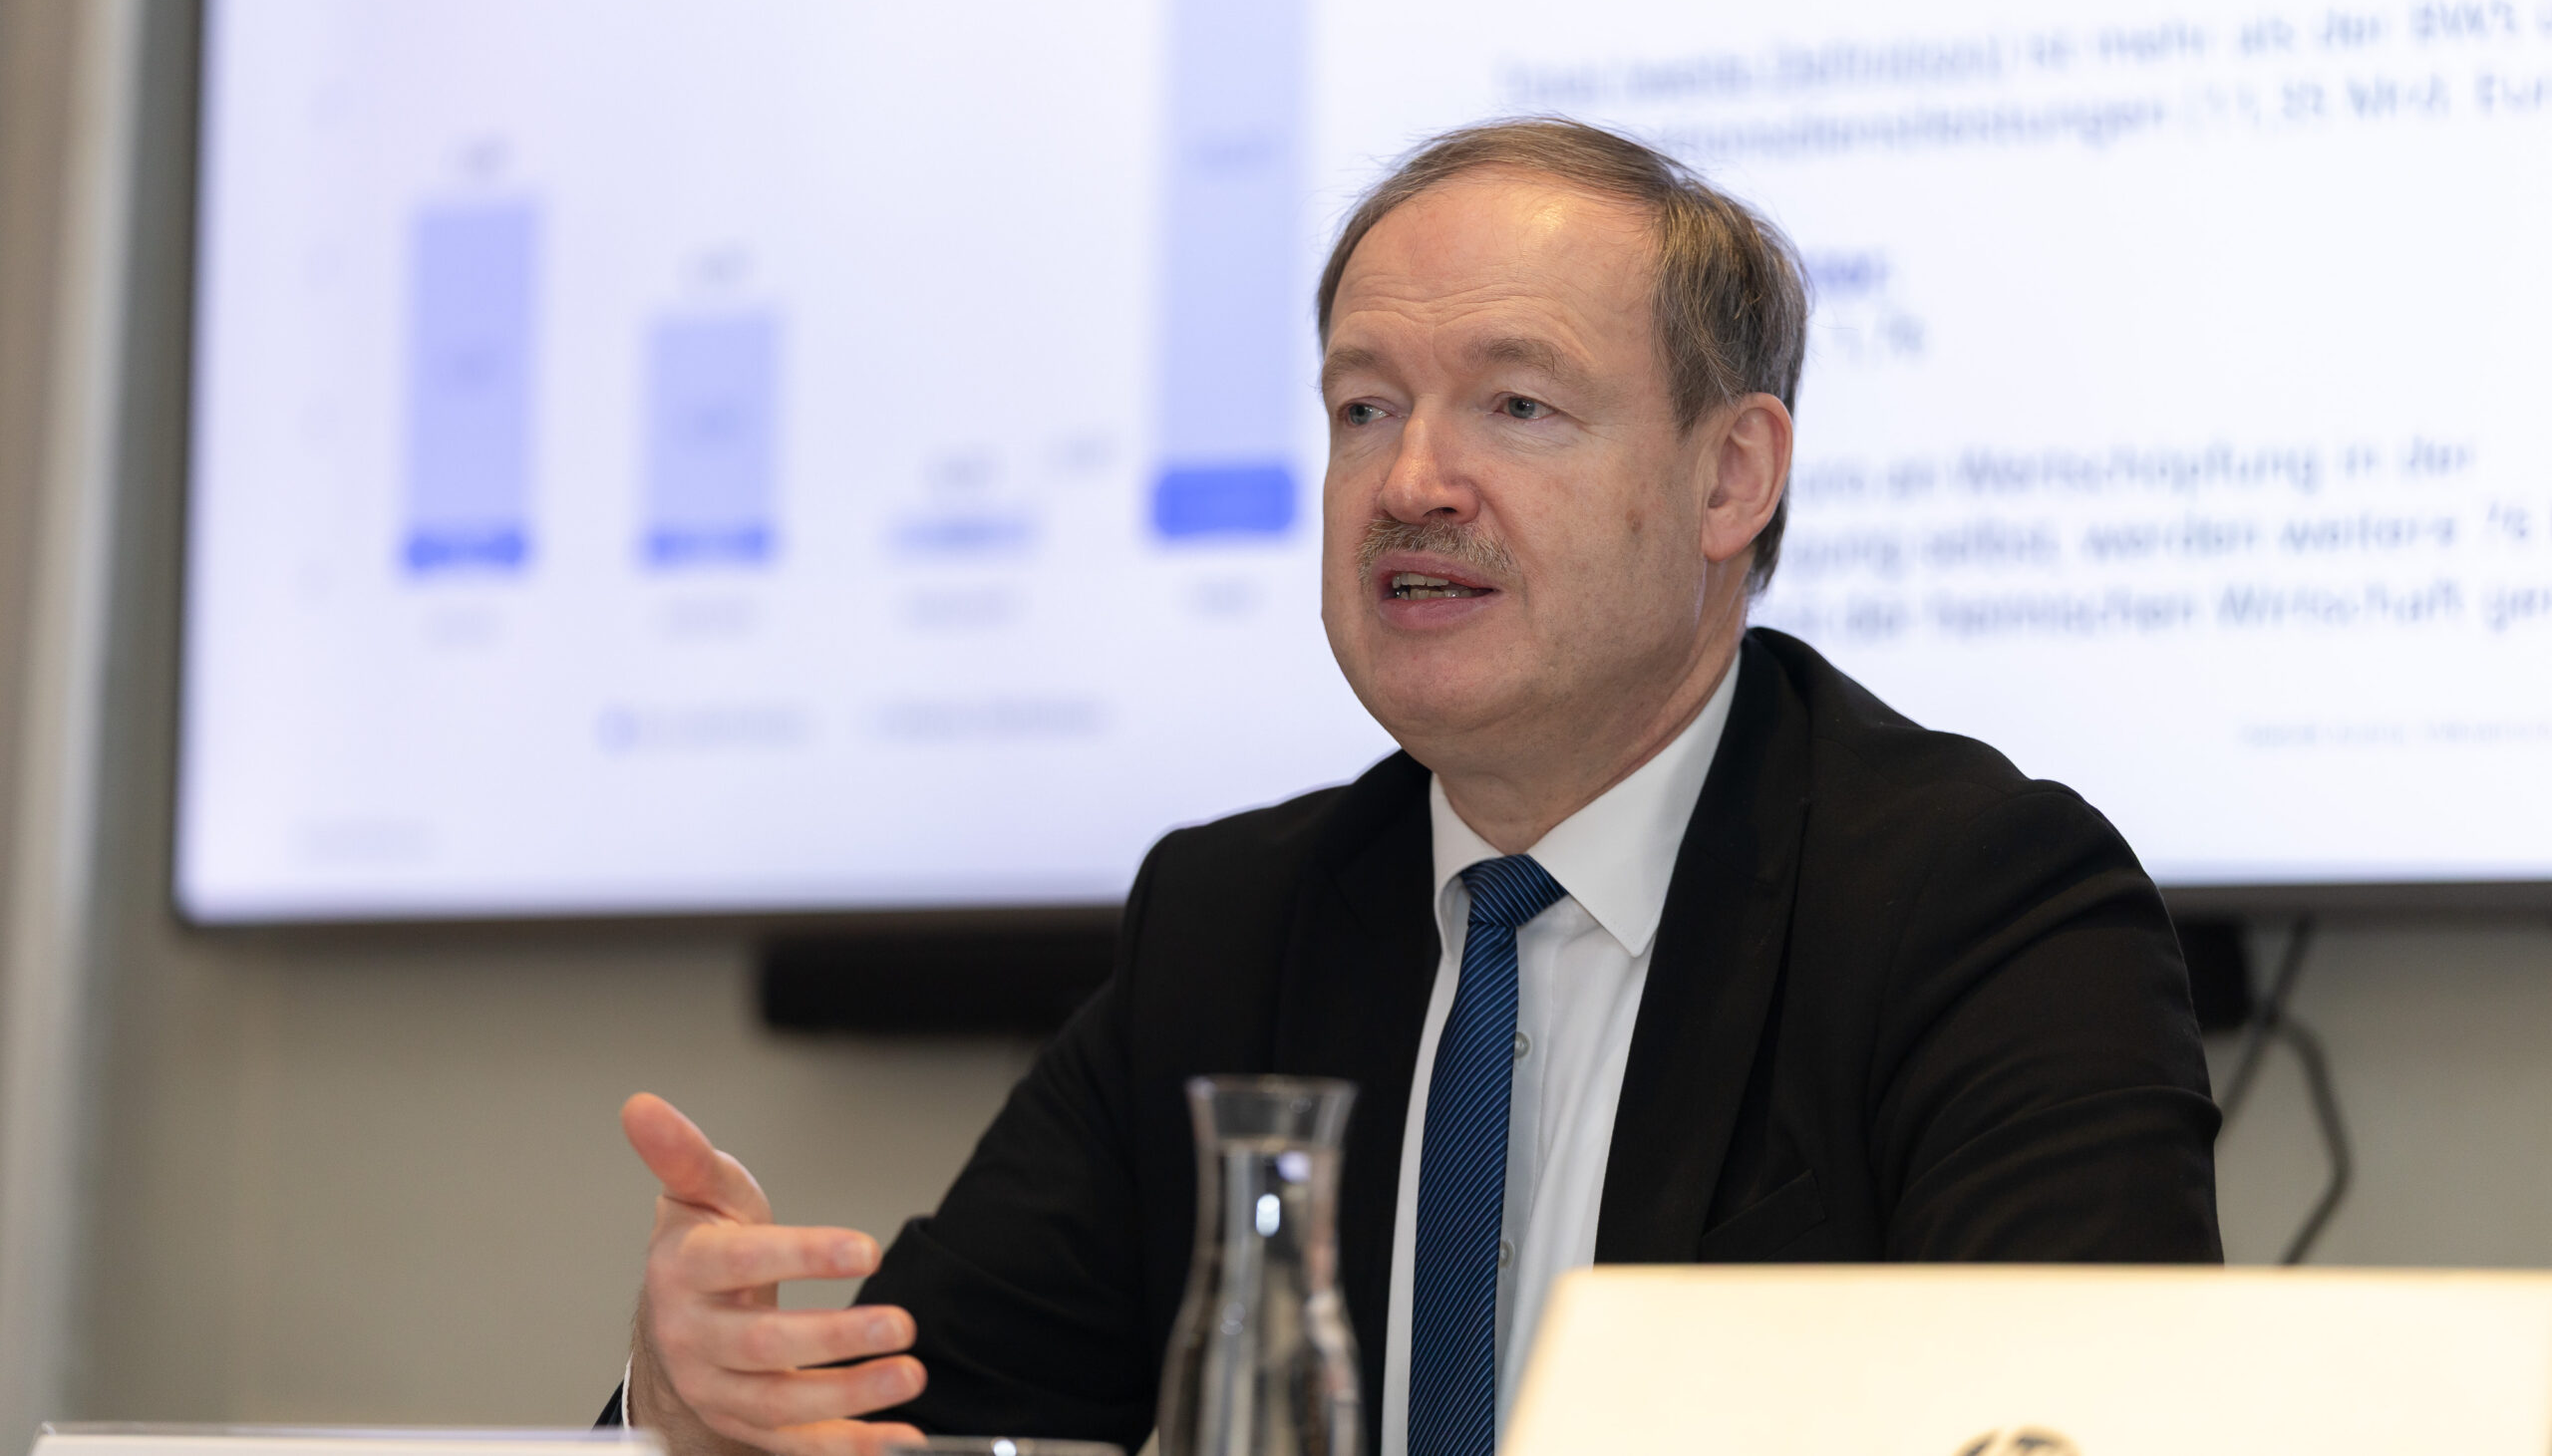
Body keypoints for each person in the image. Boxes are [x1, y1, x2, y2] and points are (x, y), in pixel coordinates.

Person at [608, 119, 2221, 1456]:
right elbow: (910, 1419)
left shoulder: (1980, 912)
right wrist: (703, 1400)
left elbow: (2084, 1427)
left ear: (1731, 477)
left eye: (1517, 406)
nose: (1411, 482)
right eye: (1363, 407)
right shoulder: (1234, 926)